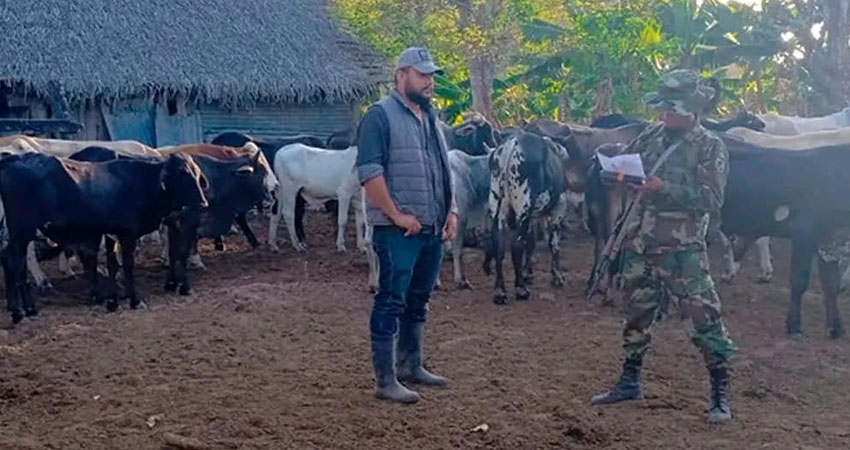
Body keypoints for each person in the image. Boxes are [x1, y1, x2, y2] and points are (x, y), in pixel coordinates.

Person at [590, 69, 736, 424]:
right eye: (663, 109)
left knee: (705, 318)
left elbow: (711, 199)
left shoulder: (710, 147)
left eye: (672, 110)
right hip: (641, 242)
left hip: (682, 250)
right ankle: (630, 381)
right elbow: (627, 166)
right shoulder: (651, 134)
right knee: (636, 312)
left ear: (692, 110)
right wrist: (615, 172)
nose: (664, 116)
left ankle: (719, 390)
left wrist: (663, 188)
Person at [356, 47, 459, 404]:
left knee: (419, 298)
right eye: (422, 74)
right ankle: (386, 380)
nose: (430, 81)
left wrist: (452, 211)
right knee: (390, 299)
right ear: (401, 75)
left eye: (432, 75)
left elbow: (443, 169)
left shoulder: (430, 117)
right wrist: (397, 216)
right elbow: (369, 173)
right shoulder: (379, 116)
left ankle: (411, 365)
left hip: (431, 227)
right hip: (397, 231)